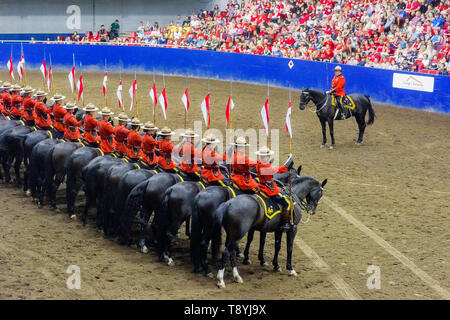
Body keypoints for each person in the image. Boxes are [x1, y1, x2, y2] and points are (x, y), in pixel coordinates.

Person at [255, 146, 293, 231]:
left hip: (261, 186)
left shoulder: (258, 163)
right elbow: (280, 170)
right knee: (287, 202)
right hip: (269, 189)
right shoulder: (266, 167)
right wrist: (288, 163)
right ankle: (285, 223)